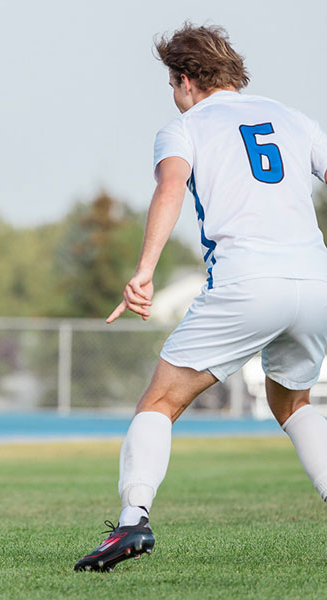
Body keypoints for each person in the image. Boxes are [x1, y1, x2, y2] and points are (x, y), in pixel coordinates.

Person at [75, 23, 327, 572]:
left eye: (172, 82)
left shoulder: (185, 126)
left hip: (247, 281)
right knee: (293, 403)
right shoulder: (293, 118)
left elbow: (169, 188)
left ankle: (132, 521)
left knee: (160, 402)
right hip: (314, 282)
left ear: (184, 79)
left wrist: (144, 272)